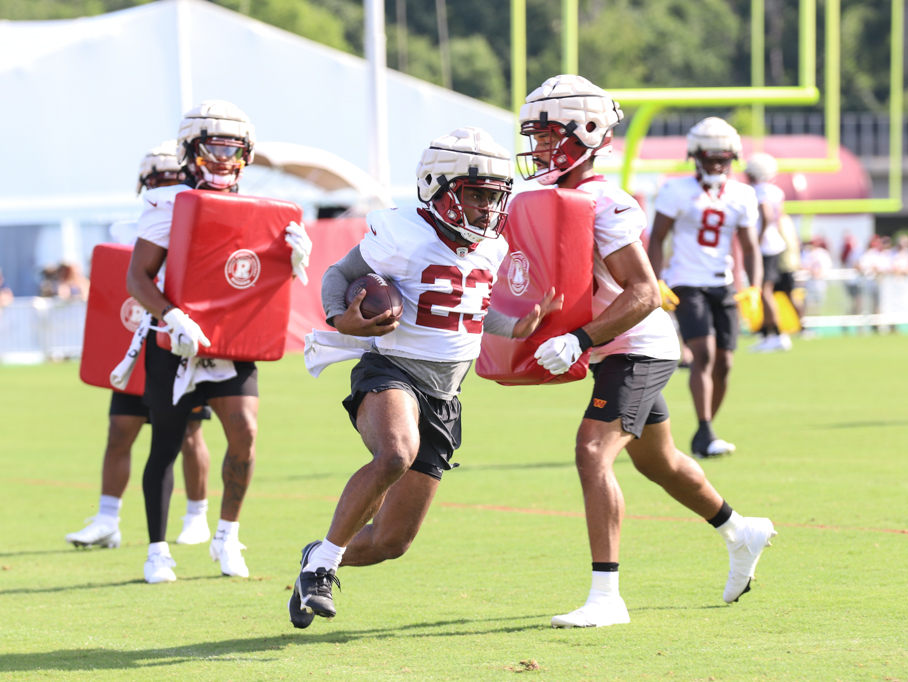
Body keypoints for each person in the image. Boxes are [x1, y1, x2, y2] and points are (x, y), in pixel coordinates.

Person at [520, 75, 775, 628]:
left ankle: (607, 597)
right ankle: (739, 530)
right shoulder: (550, 198)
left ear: (586, 132)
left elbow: (643, 291)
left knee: (593, 452)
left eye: (546, 135)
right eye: (534, 136)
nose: (538, 147)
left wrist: (580, 339)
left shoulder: (605, 200)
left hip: (638, 344)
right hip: (613, 349)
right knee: (660, 463)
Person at [288, 127, 561, 629]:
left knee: (390, 543)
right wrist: (339, 318)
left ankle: (320, 556)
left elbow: (471, 312)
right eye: (477, 194)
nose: (487, 208)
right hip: (391, 369)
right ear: (437, 186)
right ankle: (323, 569)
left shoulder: (491, 248)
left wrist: (517, 326)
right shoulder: (402, 233)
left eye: (495, 196)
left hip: (445, 396)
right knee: (394, 453)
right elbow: (337, 277)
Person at [125, 100, 312, 583]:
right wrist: (172, 316)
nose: (226, 159)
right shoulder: (169, 204)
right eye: (215, 147)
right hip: (177, 342)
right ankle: (157, 549)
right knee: (166, 443)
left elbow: (249, 280)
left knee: (246, 434)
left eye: (236, 149)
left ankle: (227, 535)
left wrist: (289, 260)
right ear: (192, 150)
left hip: (233, 344)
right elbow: (137, 278)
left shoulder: (262, 212)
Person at [66, 142, 213, 550]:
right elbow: (120, 286)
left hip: (179, 338)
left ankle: (197, 514)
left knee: (187, 432)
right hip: (139, 335)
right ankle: (107, 518)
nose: (165, 186)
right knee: (121, 429)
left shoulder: (199, 217)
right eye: (159, 179)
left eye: (172, 178)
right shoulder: (126, 228)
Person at [649, 117, 763, 458]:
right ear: (695, 156)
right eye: (710, 157)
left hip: (722, 284)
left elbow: (750, 245)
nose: (716, 164)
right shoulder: (676, 190)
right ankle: (706, 429)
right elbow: (657, 237)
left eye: (722, 158)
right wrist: (656, 279)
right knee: (704, 354)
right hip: (687, 281)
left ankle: (705, 430)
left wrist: (754, 286)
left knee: (725, 362)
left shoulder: (742, 194)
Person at [745, 152, 791, 352]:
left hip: (765, 246)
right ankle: (767, 333)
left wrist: (757, 238)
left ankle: (778, 334)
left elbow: (766, 214)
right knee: (763, 290)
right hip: (774, 243)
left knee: (764, 291)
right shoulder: (775, 191)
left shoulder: (759, 191)